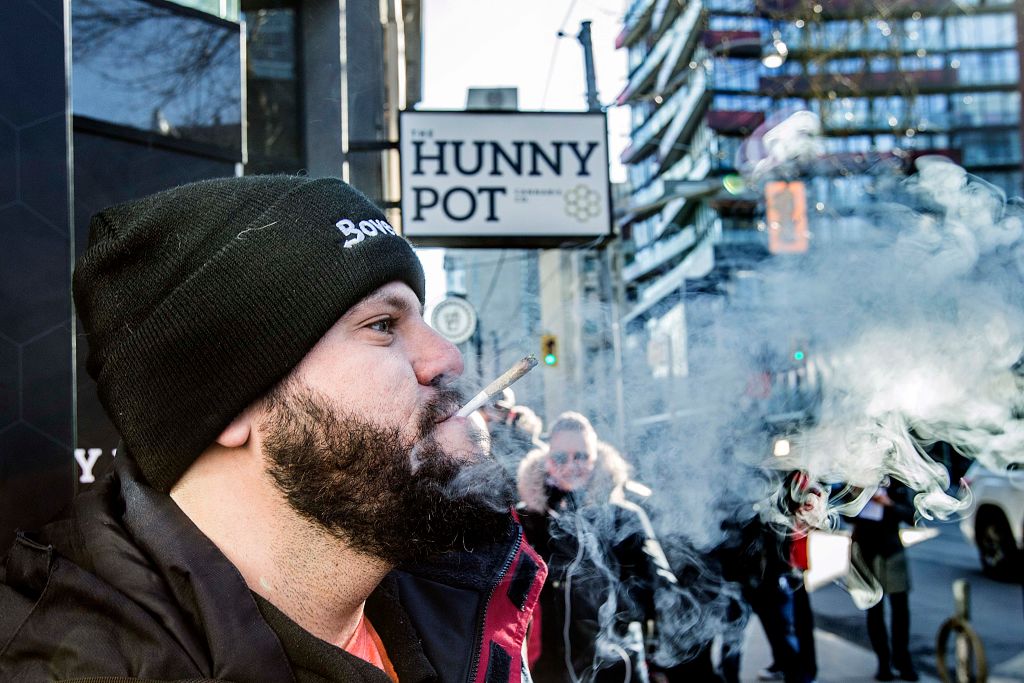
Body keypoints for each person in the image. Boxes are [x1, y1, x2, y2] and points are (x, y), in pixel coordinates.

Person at [0, 176, 546, 682]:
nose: (446, 357)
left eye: (420, 319)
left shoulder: (462, 598)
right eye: (382, 325)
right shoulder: (73, 665)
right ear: (229, 403)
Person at [516, 411, 676, 683]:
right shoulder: (527, 520)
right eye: (560, 457)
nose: (571, 465)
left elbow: (661, 588)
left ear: (596, 458)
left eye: (581, 456)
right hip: (547, 666)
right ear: (547, 461)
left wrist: (617, 605)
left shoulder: (624, 516)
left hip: (617, 663)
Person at [849, 479, 919, 682]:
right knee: (874, 609)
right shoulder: (855, 479)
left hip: (891, 549)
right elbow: (845, 514)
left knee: (900, 607)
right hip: (864, 550)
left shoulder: (896, 481)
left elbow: (911, 515)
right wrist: (856, 497)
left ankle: (902, 659)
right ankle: (883, 661)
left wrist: (887, 502)